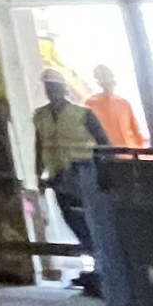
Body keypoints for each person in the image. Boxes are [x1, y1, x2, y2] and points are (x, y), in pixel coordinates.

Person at [33, 68, 111, 293]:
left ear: (64, 89)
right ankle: (97, 267)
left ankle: (102, 268)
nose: (52, 92)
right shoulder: (40, 116)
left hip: (84, 175)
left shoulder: (83, 114)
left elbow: (104, 144)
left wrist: (104, 173)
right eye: (49, 88)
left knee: (91, 223)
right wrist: (39, 175)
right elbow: (38, 146)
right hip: (59, 177)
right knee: (74, 222)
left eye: (55, 88)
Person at [83, 63, 148, 152]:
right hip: (108, 155)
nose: (108, 86)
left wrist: (142, 153)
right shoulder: (90, 104)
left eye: (111, 82)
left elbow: (136, 131)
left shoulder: (124, 103)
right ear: (98, 83)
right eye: (104, 83)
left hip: (131, 153)